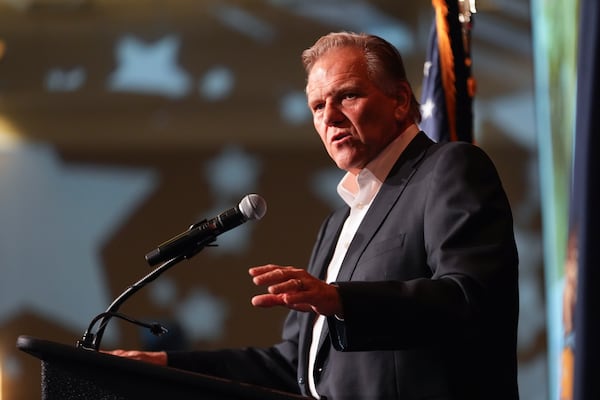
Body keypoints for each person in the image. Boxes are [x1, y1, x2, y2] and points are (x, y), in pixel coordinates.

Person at [109, 31, 520, 400]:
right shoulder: (337, 223)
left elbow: (472, 300)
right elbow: (294, 366)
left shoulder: (448, 169)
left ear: (398, 101)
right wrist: (166, 365)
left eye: (347, 96)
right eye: (317, 105)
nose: (329, 116)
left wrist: (340, 299)